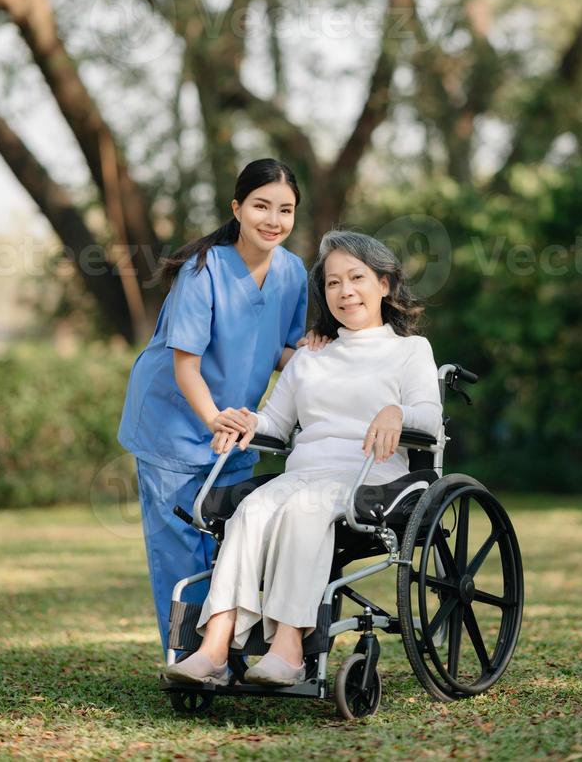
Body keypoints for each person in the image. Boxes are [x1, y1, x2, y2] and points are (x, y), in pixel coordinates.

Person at [165, 229, 443, 687]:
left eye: (357, 277)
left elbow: (429, 421)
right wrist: (247, 423)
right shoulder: (310, 356)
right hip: (306, 472)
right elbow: (275, 423)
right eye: (333, 283)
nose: (345, 291)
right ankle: (213, 648)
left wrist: (398, 411)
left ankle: (289, 649)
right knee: (251, 509)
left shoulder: (409, 350)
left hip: (371, 477)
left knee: (303, 509)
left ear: (385, 284)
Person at [117, 158, 317, 653]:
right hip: (174, 423)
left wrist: (331, 358)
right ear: (238, 208)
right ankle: (186, 657)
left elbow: (282, 352)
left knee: (229, 542)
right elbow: (186, 367)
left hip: (234, 429)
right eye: (261, 206)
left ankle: (224, 649)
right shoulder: (202, 270)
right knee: (182, 547)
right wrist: (213, 419)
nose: (273, 219)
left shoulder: (292, 272)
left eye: (285, 210)